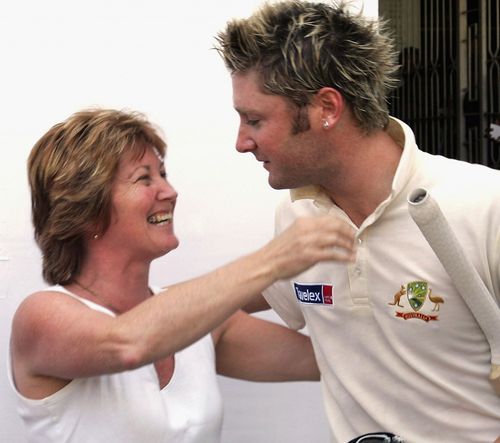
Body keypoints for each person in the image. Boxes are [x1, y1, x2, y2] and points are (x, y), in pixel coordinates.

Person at [215, 1, 500, 442]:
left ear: (326, 107)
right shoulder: (297, 214)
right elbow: (222, 308)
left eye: (254, 119)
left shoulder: (485, 205)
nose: (241, 142)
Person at [8, 108, 357, 443]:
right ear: (87, 210)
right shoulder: (40, 319)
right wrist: (274, 258)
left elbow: (338, 362)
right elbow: (127, 343)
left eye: (163, 174)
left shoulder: (200, 325)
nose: (169, 192)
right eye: (144, 178)